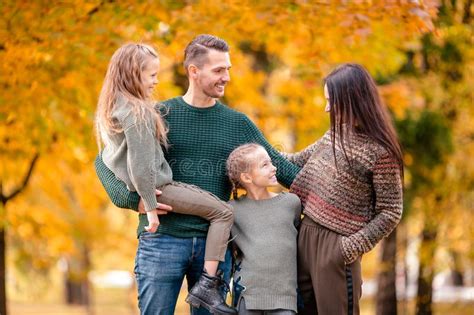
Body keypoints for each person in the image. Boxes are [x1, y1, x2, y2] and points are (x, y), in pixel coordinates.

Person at [94, 35, 300, 314]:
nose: (226, 77)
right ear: (194, 71)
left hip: (212, 249)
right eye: (219, 70)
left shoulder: (237, 124)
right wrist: (132, 201)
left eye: (228, 69)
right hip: (161, 240)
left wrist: (328, 195)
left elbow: (280, 167)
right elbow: (103, 161)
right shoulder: (157, 113)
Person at [95, 42, 236, 313]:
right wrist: (146, 206)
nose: (156, 81)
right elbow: (134, 164)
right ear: (133, 74)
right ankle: (209, 285)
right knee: (224, 213)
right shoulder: (140, 112)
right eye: (151, 75)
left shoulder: (119, 108)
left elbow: (119, 158)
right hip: (162, 210)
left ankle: (207, 283)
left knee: (220, 211)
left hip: (168, 195)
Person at [284, 63, 404, 315]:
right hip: (305, 236)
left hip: (337, 247)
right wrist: (253, 148)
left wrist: (349, 248)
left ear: (353, 99)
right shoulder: (334, 134)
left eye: (332, 101)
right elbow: (294, 162)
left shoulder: (381, 152)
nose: (327, 108)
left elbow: (391, 211)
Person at [226, 143, 301, 315]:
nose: (274, 168)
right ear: (246, 177)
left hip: (285, 298)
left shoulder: (291, 203)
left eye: (271, 162)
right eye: (265, 165)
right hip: (247, 296)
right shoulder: (232, 210)